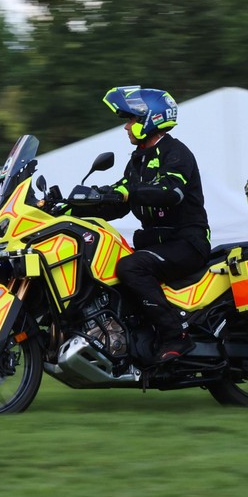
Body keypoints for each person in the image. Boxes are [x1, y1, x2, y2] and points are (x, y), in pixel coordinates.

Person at [89, 86, 211, 362]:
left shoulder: (176, 153)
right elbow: (118, 200)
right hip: (158, 245)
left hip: (186, 243)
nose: (126, 127)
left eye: (130, 120)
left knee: (131, 266)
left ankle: (176, 336)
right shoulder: (138, 160)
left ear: (148, 119)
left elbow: (171, 192)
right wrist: (67, 206)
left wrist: (127, 192)